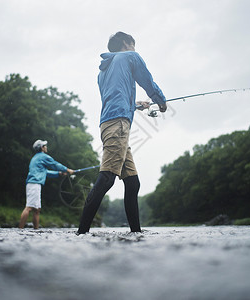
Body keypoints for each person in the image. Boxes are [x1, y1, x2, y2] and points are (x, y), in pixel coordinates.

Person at [77, 31, 167, 234]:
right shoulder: (130, 57)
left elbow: (115, 98)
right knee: (107, 178)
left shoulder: (103, 72)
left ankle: (136, 232)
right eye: (133, 44)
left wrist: (135, 105)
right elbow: (147, 81)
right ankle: (81, 232)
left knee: (132, 182)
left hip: (111, 123)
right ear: (127, 43)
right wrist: (160, 100)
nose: (135, 49)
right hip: (118, 126)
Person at [19, 139, 74, 229]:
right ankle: (20, 230)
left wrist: (59, 173)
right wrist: (67, 170)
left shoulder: (36, 158)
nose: (46, 147)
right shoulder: (43, 156)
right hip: (34, 184)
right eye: (45, 145)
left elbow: (45, 172)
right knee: (29, 207)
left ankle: (36, 231)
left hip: (33, 184)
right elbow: (55, 164)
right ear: (42, 148)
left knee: (37, 209)